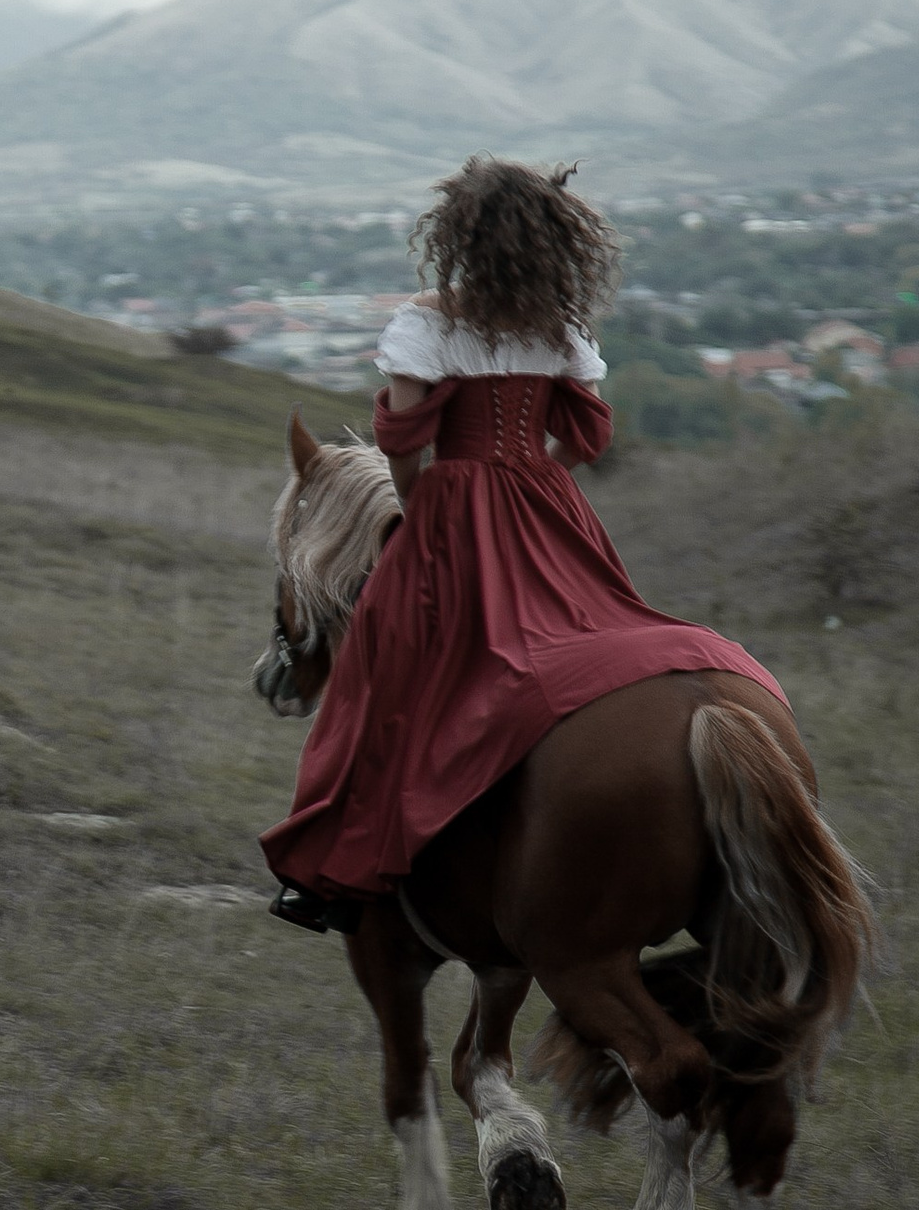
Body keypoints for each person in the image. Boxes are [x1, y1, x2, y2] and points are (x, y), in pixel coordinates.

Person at [262, 157, 784, 933]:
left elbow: (402, 441)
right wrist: (540, 477)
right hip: (549, 507)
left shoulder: (427, 322)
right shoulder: (562, 329)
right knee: (594, 627)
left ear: (458, 238)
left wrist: (425, 501)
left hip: (451, 503)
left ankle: (333, 872)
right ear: (553, 243)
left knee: (381, 669)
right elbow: (588, 431)